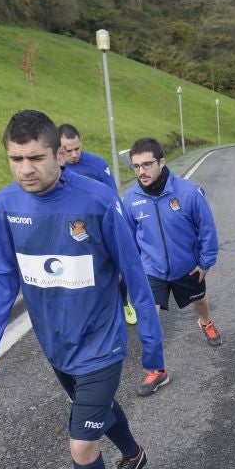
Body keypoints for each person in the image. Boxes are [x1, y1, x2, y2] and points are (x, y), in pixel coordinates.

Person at [0, 110, 166, 469]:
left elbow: (133, 272)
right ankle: (133, 453)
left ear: (60, 153)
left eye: (36, 158)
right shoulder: (5, 204)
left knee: (81, 445)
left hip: (102, 344)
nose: (26, 169)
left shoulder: (96, 200)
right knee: (97, 410)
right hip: (56, 344)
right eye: (16, 159)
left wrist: (152, 346)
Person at [121, 137, 222, 363]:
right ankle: (155, 368)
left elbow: (207, 228)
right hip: (151, 269)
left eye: (147, 164)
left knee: (200, 301)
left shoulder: (189, 192)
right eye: (136, 166)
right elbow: (128, 238)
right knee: (149, 316)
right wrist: (133, 268)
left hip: (186, 266)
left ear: (162, 162)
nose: (141, 171)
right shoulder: (130, 199)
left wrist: (205, 262)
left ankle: (206, 322)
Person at [59, 123, 137, 326]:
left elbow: (113, 197)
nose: (74, 154)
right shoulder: (53, 167)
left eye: (77, 148)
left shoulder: (97, 164)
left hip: (99, 228)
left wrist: (123, 227)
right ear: (59, 149)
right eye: (68, 150)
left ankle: (124, 303)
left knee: (116, 273)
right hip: (69, 230)